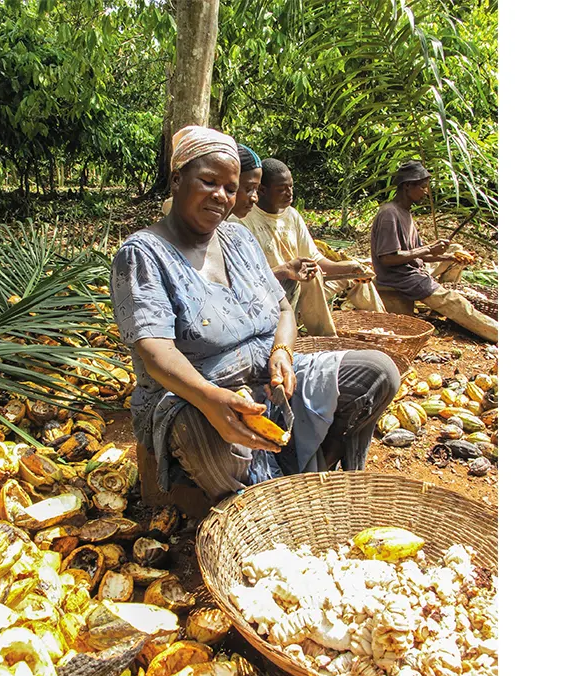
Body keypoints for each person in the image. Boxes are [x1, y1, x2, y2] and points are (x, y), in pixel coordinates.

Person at [111, 126, 399, 505]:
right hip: (195, 396)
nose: (222, 196)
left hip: (271, 383)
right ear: (177, 179)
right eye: (209, 181)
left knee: (378, 371)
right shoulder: (143, 254)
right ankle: (254, 500)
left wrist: (282, 351)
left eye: (230, 189)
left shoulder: (239, 239)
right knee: (201, 427)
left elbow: (282, 308)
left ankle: (303, 475)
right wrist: (213, 399)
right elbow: (155, 351)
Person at [240, 158, 386, 336]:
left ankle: (383, 331)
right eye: (281, 189)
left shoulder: (292, 215)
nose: (289, 193)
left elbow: (314, 258)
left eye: (291, 187)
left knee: (360, 278)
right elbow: (249, 279)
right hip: (274, 292)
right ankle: (326, 338)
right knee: (311, 274)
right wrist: (287, 271)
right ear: (262, 190)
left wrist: (349, 267)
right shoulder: (245, 220)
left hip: (305, 289)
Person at [370, 160, 498, 343]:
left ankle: (438, 306)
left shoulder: (405, 213)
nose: (426, 192)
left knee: (456, 250)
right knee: (456, 302)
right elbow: (388, 259)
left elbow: (419, 253)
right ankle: (496, 332)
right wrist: (429, 248)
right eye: (422, 187)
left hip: (413, 270)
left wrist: (450, 257)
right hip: (401, 278)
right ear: (407, 186)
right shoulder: (389, 214)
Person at [161, 142, 262, 220]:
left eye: (256, 189)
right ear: (177, 180)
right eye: (209, 183)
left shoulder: (238, 234)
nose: (255, 198)